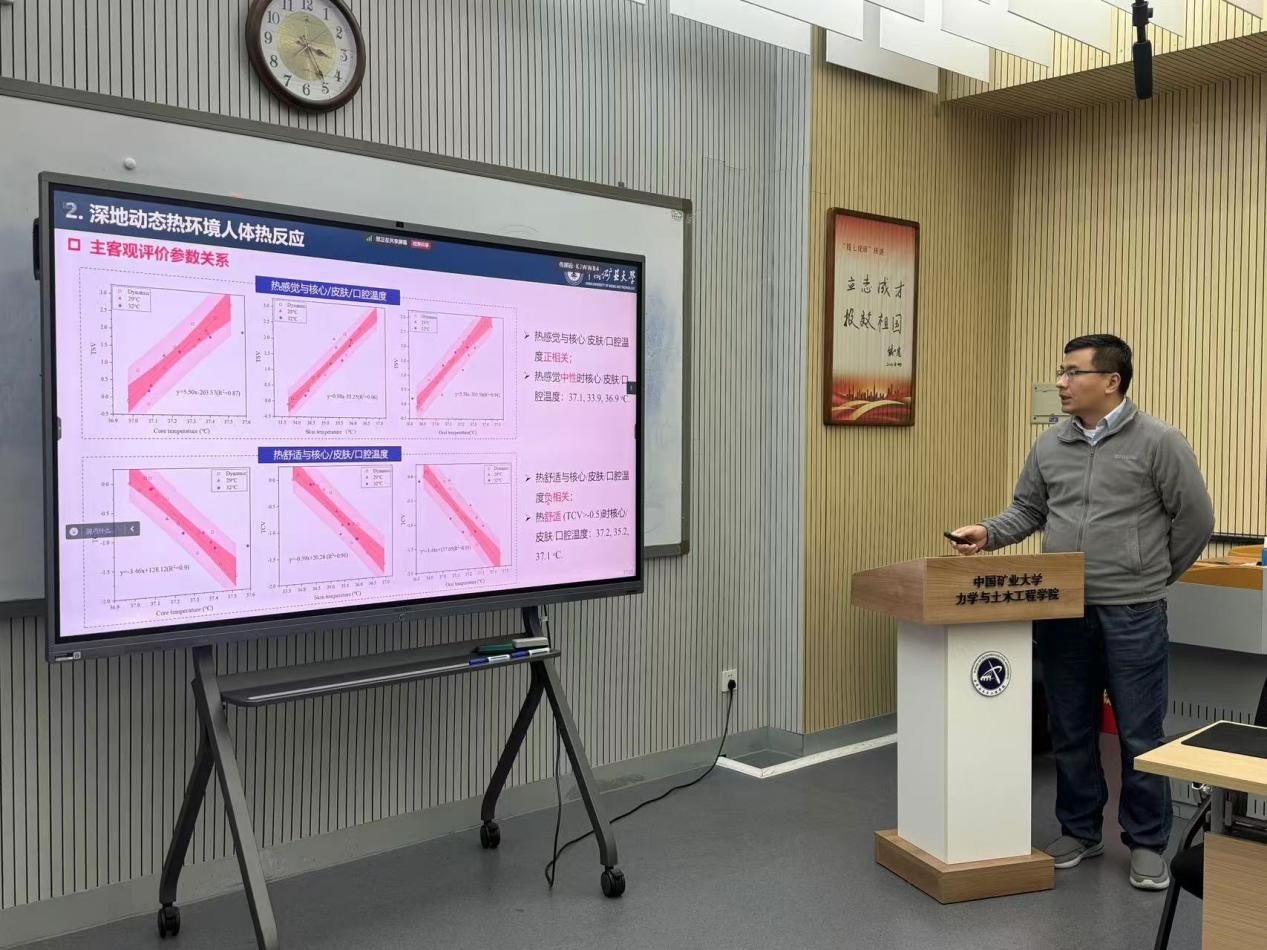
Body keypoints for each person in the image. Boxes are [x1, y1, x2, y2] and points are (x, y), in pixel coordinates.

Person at [949, 334, 1214, 891]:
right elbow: (1029, 510)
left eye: (1072, 372)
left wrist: (1151, 575)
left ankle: (1147, 842)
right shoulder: (1051, 443)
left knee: (1140, 734)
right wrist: (988, 533)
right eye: (1061, 372)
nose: (1061, 383)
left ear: (1111, 381)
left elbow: (1194, 519)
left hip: (1133, 611)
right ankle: (1080, 830)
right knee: (1070, 727)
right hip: (1062, 607)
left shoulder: (1159, 441)